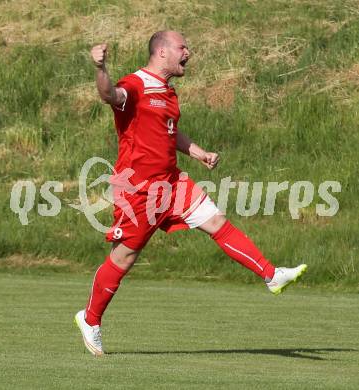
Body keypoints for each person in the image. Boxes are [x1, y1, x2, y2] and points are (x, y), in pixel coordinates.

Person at [74, 31, 307, 356]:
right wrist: (100, 68)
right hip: (139, 190)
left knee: (217, 222)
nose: (189, 52)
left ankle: (271, 275)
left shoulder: (168, 93)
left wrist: (198, 152)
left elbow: (170, 131)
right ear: (162, 52)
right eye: (183, 47)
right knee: (124, 257)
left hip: (171, 183)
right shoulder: (137, 84)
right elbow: (109, 95)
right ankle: (90, 319)